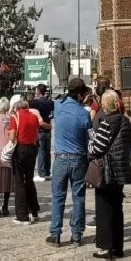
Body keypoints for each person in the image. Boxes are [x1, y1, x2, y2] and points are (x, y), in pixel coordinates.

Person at [47, 77, 92, 248]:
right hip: (78, 158)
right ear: (80, 95)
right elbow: (88, 137)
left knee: (58, 197)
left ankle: (55, 233)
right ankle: (76, 234)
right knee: (78, 197)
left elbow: (60, 99)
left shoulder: (59, 106)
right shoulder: (84, 114)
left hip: (61, 157)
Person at [89, 90, 131, 260]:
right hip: (120, 169)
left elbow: (98, 148)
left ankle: (105, 246)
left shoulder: (106, 122)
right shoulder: (125, 121)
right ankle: (118, 247)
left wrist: (90, 146)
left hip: (107, 170)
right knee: (117, 208)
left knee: (104, 208)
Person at [9, 95, 43, 225]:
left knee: (19, 182)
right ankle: (34, 210)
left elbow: (12, 136)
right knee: (29, 179)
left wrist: (9, 135)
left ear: (16, 107)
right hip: (32, 149)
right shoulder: (33, 117)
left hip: (20, 149)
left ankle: (22, 215)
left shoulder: (16, 117)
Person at [30, 84, 54, 181]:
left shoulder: (35, 103)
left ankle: (41, 173)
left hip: (39, 129)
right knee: (47, 151)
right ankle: (47, 172)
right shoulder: (50, 102)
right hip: (48, 128)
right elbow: (52, 114)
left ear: (38, 91)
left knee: (41, 151)